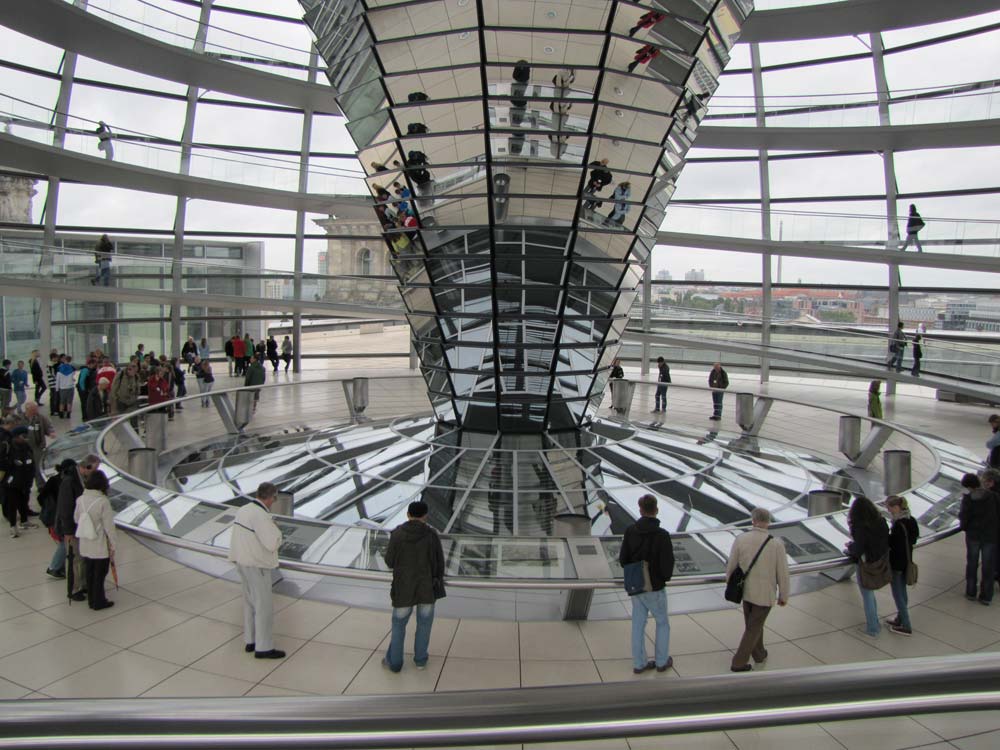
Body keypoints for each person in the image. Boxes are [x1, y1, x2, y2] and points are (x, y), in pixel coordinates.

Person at [382, 500, 446, 673]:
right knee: (424, 625)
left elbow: (389, 561)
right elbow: (439, 563)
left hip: (403, 589)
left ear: (408, 514)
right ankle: (420, 660)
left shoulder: (397, 534)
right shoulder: (431, 535)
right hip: (426, 589)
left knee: (398, 625)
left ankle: (394, 663)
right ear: (425, 516)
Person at [726, 508, 790, 672]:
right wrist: (783, 595)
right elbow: (782, 572)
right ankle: (738, 662)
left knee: (753, 624)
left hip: (746, 591)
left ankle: (759, 654)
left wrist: (730, 584)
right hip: (765, 593)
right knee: (754, 626)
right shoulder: (776, 544)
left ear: (753, 520)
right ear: (768, 522)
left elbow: (732, 566)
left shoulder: (741, 539)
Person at [619, 494, 675, 674]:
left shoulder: (630, 531)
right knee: (662, 623)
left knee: (637, 624)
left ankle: (639, 663)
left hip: (636, 586)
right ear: (656, 510)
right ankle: (661, 661)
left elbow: (623, 559)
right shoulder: (662, 535)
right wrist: (662, 578)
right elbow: (667, 564)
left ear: (640, 509)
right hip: (655, 587)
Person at [228, 482, 285, 659]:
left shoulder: (244, 509)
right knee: (263, 606)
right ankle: (263, 647)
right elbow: (272, 543)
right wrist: (278, 532)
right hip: (256, 565)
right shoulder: (260, 515)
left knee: (250, 603)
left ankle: (250, 641)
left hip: (241, 561)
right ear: (271, 497)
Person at [54, 454, 100, 596]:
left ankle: (84, 583)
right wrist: (68, 531)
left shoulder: (84, 479)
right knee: (76, 558)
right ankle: (74, 589)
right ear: (85, 467)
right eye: (94, 468)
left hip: (82, 526)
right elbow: (65, 508)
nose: (95, 471)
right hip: (72, 528)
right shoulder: (69, 481)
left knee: (84, 557)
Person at [845, 496, 890, 637]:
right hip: (880, 560)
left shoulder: (860, 527)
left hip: (866, 564)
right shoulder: (881, 521)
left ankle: (873, 628)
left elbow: (858, 548)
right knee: (870, 594)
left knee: (867, 594)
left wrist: (850, 547)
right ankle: (874, 622)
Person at [74, 470, 117, 610]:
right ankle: (99, 601)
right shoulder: (103, 501)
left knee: (90, 572)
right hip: (100, 545)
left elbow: (76, 518)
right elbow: (109, 527)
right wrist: (113, 545)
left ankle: (91, 600)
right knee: (100, 574)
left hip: (85, 543)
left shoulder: (80, 499)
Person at [959, 473, 997, 605]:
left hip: (973, 535)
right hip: (990, 535)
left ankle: (971, 592)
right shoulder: (992, 496)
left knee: (972, 563)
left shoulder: (968, 499)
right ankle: (986, 596)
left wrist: (965, 527)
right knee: (988, 566)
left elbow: (964, 517)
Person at [885, 495, 918, 635]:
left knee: (898, 594)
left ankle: (906, 625)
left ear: (896, 507)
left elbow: (894, 544)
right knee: (902, 592)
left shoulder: (898, 525)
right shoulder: (911, 520)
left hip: (897, 563)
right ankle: (900, 618)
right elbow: (914, 539)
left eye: (889, 507)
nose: (889, 510)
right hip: (907, 560)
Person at [2, 426, 37, 538]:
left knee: (23, 501)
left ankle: (24, 520)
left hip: (24, 480)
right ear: (16, 437)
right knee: (12, 504)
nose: (25, 439)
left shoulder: (26, 446)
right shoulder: (7, 447)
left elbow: (31, 461)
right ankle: (13, 526)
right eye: (23, 436)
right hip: (11, 482)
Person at [24, 402, 55, 490]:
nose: (35, 411)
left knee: (39, 466)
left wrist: (50, 432)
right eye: (33, 410)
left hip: (38, 447)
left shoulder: (40, 418)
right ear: (27, 410)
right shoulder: (21, 419)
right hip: (25, 448)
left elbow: (48, 426)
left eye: (36, 409)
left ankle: (41, 485)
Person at [55, 355, 76, 420]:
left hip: (62, 387)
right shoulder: (72, 369)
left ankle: (61, 414)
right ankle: (68, 414)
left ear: (64, 360)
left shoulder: (59, 369)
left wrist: (57, 388)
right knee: (69, 401)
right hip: (70, 387)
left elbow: (57, 380)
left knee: (62, 402)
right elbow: (73, 378)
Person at [46, 351, 60, 417]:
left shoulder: (53, 365)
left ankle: (54, 410)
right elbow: (53, 374)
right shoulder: (51, 365)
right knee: (54, 397)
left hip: (54, 384)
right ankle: (54, 411)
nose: (57, 359)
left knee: (54, 397)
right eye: (56, 358)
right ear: (53, 358)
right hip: (53, 384)